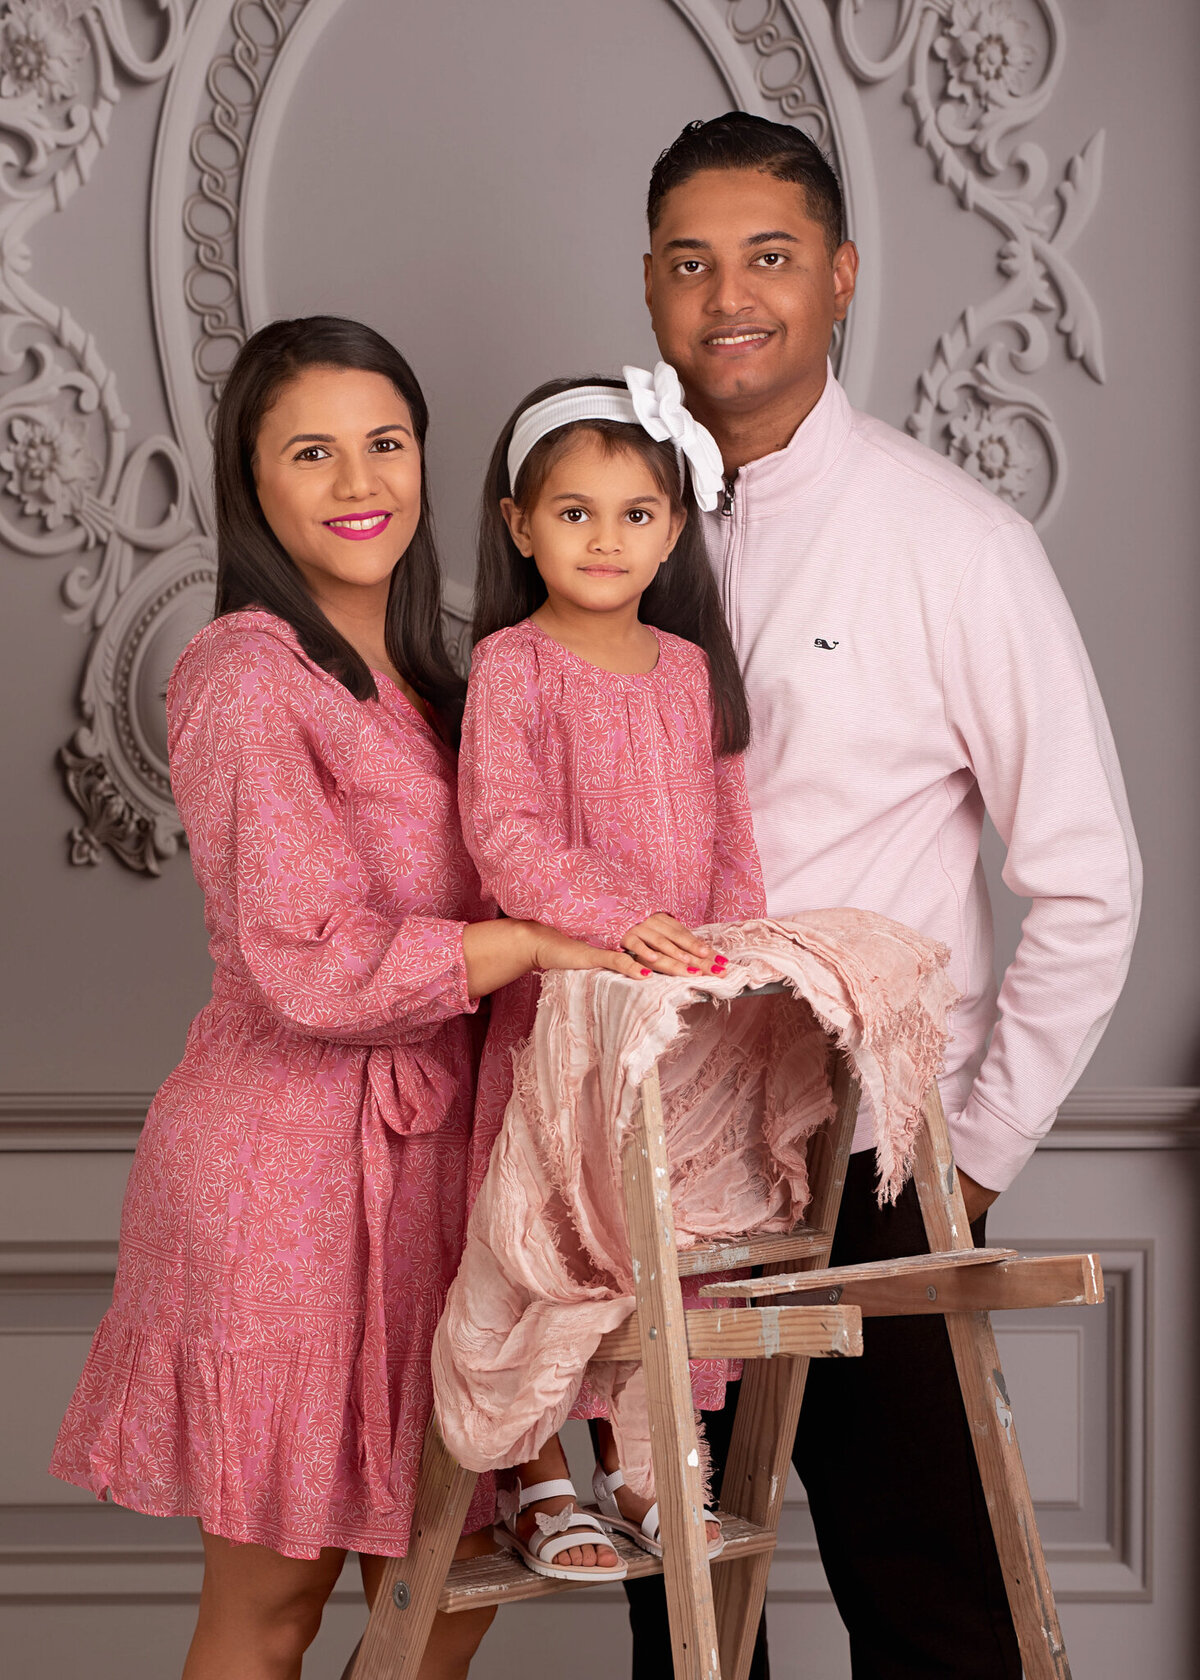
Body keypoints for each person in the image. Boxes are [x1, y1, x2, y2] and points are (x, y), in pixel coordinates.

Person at [48, 316, 646, 1680]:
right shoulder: (245, 675)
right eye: (308, 452)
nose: (355, 477)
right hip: (286, 1182)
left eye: (383, 442)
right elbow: (310, 957)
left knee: (445, 1597)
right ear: (252, 484)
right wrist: (532, 943)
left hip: (443, 1181)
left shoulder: (448, 679)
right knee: (270, 1613)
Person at [623, 112, 1142, 1679]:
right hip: (663, 1165)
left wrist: (969, 1161)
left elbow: (1091, 883)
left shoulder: (956, 544)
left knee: (935, 1614)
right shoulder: (607, 538)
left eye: (770, 258)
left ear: (841, 279)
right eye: (692, 262)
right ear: (648, 288)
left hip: (875, 1159)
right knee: (692, 1628)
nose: (731, 297)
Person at [458, 367, 766, 1582]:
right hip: (559, 1010)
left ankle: (648, 1464)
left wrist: (728, 958)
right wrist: (627, 923)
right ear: (520, 524)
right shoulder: (513, 669)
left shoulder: (691, 673)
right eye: (574, 512)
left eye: (635, 513)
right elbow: (508, 831)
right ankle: (535, 1476)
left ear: (675, 527)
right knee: (548, 1234)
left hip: (675, 1014)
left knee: (657, 1239)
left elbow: (732, 832)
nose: (605, 537)